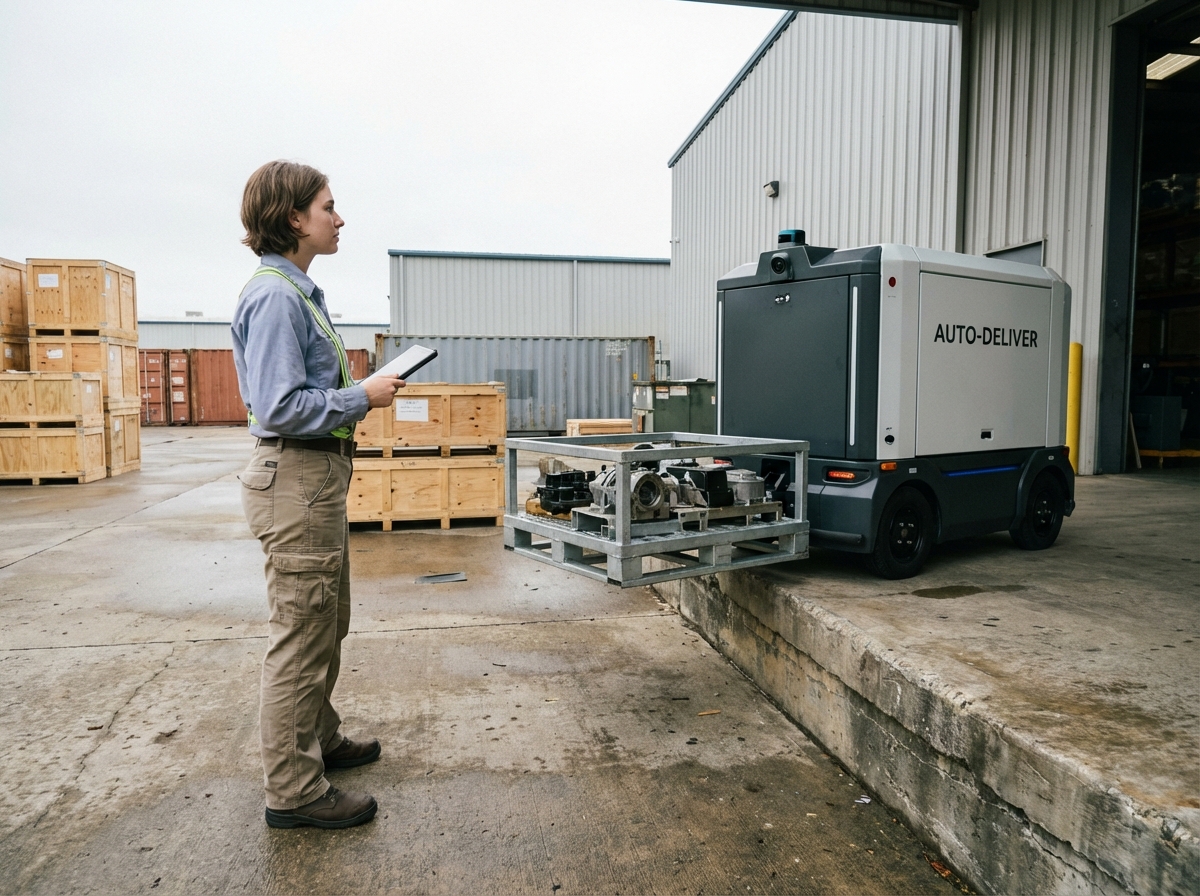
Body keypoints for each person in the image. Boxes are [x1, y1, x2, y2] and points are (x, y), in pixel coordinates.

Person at [232, 160, 403, 829]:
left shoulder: (298, 292)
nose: (339, 218)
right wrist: (363, 397)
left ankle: (319, 738)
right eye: (328, 207)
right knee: (301, 633)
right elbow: (279, 406)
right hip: (297, 479)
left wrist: (357, 393)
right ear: (293, 217)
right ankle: (294, 789)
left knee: (327, 621)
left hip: (316, 477)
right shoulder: (277, 297)